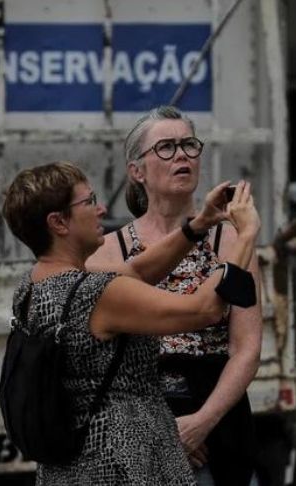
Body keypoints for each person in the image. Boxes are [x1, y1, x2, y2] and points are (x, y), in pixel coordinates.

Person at [1, 161, 259, 485]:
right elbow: (204, 308)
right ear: (58, 223)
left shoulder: (32, 286)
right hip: (125, 464)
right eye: (89, 201)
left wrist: (199, 224)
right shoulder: (98, 295)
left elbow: (137, 272)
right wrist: (245, 238)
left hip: (70, 469)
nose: (102, 209)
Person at [88, 106, 262, 485]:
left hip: (218, 422)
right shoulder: (109, 251)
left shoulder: (230, 239)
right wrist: (162, 429)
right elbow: (96, 365)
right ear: (137, 171)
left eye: (188, 144)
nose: (182, 154)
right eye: (166, 147)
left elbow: (246, 348)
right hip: (137, 428)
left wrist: (201, 423)